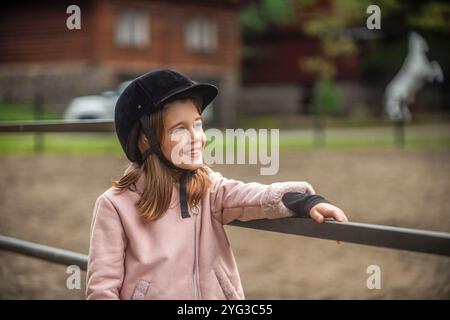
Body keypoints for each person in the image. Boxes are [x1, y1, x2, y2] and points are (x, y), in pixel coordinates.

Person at [86, 69, 348, 300]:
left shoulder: (208, 188)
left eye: (198, 125)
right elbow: (102, 288)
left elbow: (254, 197)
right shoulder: (114, 206)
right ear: (145, 141)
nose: (197, 138)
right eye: (180, 129)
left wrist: (305, 201)